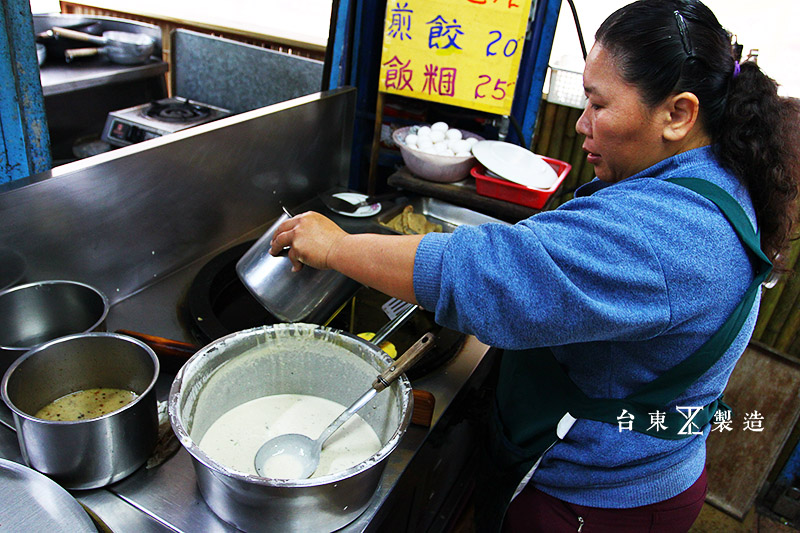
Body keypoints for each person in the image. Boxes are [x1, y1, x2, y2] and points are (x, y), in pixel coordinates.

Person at [269, 0, 800, 530]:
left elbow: (488, 275)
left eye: (599, 104)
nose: (580, 124)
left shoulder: (671, 233)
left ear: (678, 114)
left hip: (600, 498)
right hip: (620, 470)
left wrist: (338, 246)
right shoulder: (713, 173)